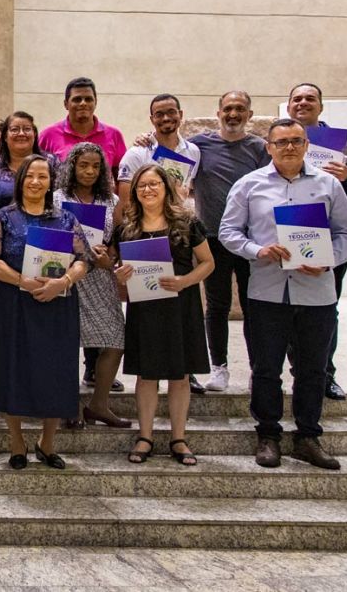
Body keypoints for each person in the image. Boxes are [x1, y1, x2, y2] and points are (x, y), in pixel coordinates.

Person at [220, 118, 347, 471]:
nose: (289, 147)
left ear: (307, 145)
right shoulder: (249, 185)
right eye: (281, 142)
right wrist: (257, 250)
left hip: (317, 293)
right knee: (266, 368)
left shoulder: (328, 184)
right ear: (268, 147)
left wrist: (329, 260)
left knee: (312, 369)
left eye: (296, 141)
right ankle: (268, 435)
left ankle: (308, 437)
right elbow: (228, 231)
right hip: (267, 292)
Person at [0, 155, 90, 470]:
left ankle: (47, 442)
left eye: (43, 176)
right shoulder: (2, 217)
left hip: (57, 303)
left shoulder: (66, 219)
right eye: (30, 176)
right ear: (20, 180)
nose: (35, 182)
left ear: (50, 182)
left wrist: (64, 281)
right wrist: (22, 281)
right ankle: (17, 442)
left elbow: (83, 259)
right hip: (14, 302)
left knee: (55, 370)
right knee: (12, 368)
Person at [112, 164, 214, 466]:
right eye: (141, 185)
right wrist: (121, 275)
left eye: (154, 184)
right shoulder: (126, 227)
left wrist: (184, 281)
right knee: (147, 374)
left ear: (166, 187)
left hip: (181, 306)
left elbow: (208, 263)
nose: (147, 190)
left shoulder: (187, 222)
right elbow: (119, 269)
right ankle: (145, 436)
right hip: (145, 308)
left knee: (180, 374)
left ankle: (178, 438)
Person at [288, 83, 347, 401]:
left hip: (330, 233)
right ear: (289, 105)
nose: (303, 103)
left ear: (321, 106)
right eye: (297, 98)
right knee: (288, 309)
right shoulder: (277, 139)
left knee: (326, 309)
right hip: (290, 230)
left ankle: (325, 374)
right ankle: (296, 371)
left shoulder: (344, 142)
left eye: (310, 98)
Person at [187, 91, 269, 392]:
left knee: (253, 306)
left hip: (250, 240)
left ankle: (256, 368)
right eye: (228, 109)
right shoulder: (199, 145)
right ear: (218, 112)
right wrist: (147, 141)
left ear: (249, 114)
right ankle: (219, 367)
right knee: (217, 306)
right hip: (212, 237)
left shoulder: (259, 148)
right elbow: (170, 159)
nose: (233, 114)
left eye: (240, 109)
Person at [53, 143, 128, 429]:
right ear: (72, 166)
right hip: (68, 276)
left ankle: (99, 404)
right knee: (67, 341)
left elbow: (119, 240)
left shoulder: (111, 200)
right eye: (83, 165)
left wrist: (111, 256)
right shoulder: (57, 198)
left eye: (96, 166)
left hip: (100, 277)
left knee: (115, 338)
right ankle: (67, 405)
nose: (89, 171)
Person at [116, 94, 201, 216]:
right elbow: (126, 203)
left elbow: (187, 191)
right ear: (152, 119)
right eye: (159, 114)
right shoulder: (136, 154)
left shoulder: (193, 152)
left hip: (179, 226)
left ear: (180, 114)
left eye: (171, 112)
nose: (166, 118)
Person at [0, 111, 58, 211]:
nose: (21, 133)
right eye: (15, 130)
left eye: (27, 129)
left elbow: (63, 195)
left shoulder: (51, 161)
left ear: (34, 134)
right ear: (5, 137)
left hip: (43, 224)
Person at [37, 77, 128, 170]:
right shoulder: (47, 136)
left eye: (88, 99)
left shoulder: (114, 135)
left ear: (95, 102)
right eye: (77, 99)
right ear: (66, 104)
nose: (83, 103)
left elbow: (121, 176)